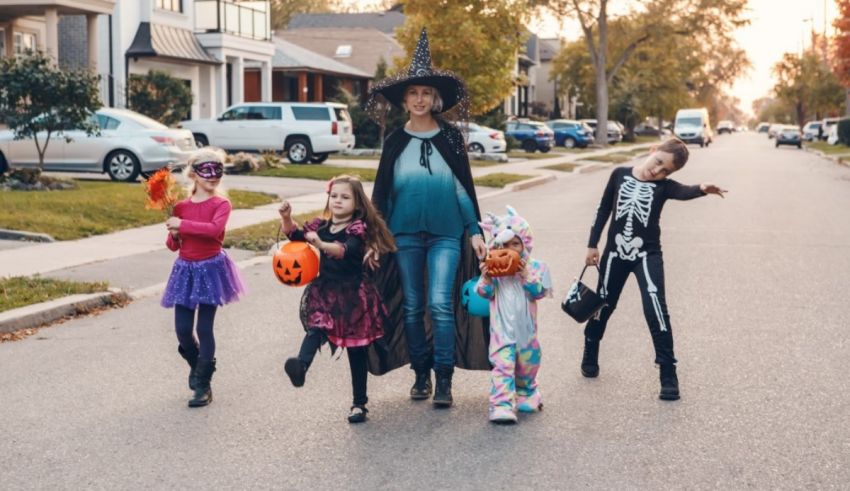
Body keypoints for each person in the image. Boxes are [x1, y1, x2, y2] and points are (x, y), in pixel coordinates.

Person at [365, 28, 490, 408]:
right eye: (413, 93)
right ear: (405, 100)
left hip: (445, 233)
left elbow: (462, 189)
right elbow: (383, 194)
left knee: (440, 304)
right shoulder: (395, 141)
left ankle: (444, 378)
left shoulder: (450, 138)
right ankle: (421, 373)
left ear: (435, 99)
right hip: (403, 234)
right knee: (412, 306)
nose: (419, 99)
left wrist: (474, 231)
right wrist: (374, 237)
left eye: (426, 93)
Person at [581, 137, 727, 401]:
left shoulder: (664, 187)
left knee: (655, 305)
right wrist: (592, 244)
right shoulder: (619, 174)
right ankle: (591, 345)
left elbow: (684, 191)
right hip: (615, 253)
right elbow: (603, 209)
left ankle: (668, 370)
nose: (657, 170)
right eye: (658, 162)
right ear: (652, 150)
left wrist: (703, 188)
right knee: (603, 304)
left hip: (646, 254)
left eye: (665, 170)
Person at [281, 175, 396, 423]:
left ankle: (359, 404)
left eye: (345, 197)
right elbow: (295, 235)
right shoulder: (321, 226)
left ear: (357, 203)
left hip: (353, 296)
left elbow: (345, 250)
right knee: (315, 329)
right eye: (334, 196)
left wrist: (322, 244)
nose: (338, 201)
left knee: (356, 350)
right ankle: (301, 366)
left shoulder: (357, 229)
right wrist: (287, 218)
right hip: (325, 292)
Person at [162, 149, 246, 408]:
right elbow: (172, 246)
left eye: (218, 170)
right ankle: (198, 365)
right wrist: (174, 234)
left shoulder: (221, 204)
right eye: (207, 170)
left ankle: (202, 385)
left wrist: (182, 225)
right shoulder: (180, 207)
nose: (213, 175)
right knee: (182, 329)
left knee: (204, 328)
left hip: (211, 269)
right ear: (193, 174)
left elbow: (213, 230)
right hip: (185, 271)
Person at [476, 206, 552, 424]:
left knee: (527, 365)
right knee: (502, 365)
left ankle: (527, 392)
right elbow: (484, 293)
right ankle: (501, 404)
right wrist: (486, 278)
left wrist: (526, 275)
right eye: (503, 245)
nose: (508, 250)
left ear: (525, 245)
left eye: (515, 244)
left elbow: (540, 292)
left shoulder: (535, 267)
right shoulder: (495, 270)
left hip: (526, 332)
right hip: (501, 331)